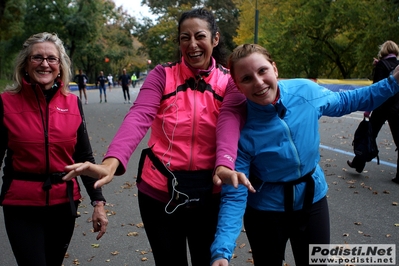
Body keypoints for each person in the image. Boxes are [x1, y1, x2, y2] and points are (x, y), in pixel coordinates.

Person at [62, 8, 245, 266]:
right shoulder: (162, 74)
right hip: (159, 190)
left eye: (199, 36)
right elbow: (139, 116)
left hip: (210, 191)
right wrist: (111, 162)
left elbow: (229, 122)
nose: (192, 44)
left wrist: (225, 163)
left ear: (215, 39)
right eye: (185, 37)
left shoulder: (229, 81)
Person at [210, 44, 399, 266]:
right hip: (265, 212)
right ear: (238, 87)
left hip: (312, 201)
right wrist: (221, 252)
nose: (259, 82)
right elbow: (234, 194)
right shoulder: (239, 126)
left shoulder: (304, 92)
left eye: (262, 71)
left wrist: (392, 82)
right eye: (247, 78)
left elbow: (349, 101)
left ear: (275, 69)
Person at [0, 32, 108, 266]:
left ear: (60, 66)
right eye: (37, 58)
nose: (45, 64)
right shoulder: (6, 102)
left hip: (63, 203)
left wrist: (98, 203)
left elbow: (84, 157)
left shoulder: (72, 102)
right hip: (21, 204)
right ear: (25, 64)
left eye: (52, 59)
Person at [347, 40, 399, 183]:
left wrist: (367, 111)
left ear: (383, 51)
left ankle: (358, 162)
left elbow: (376, 90)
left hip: (382, 107)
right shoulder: (397, 65)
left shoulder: (382, 65)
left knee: (368, 135)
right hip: (396, 107)